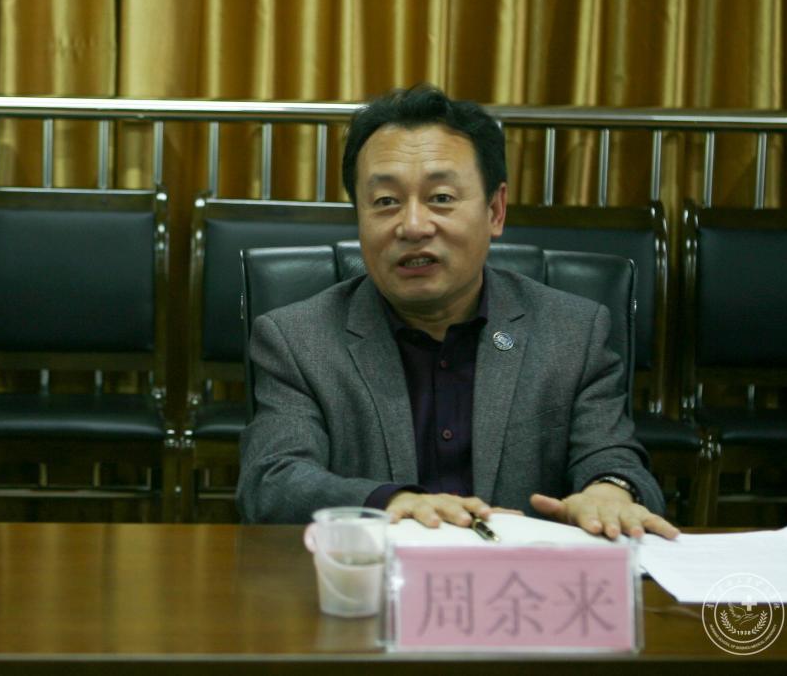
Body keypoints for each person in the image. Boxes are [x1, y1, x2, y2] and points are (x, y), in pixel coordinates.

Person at [238, 85, 678, 540]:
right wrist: (389, 503)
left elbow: (614, 459)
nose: (413, 226)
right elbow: (271, 483)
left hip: (521, 578)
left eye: (442, 197)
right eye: (386, 201)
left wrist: (610, 491)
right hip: (371, 575)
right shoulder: (297, 340)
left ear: (495, 211)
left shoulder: (572, 331)